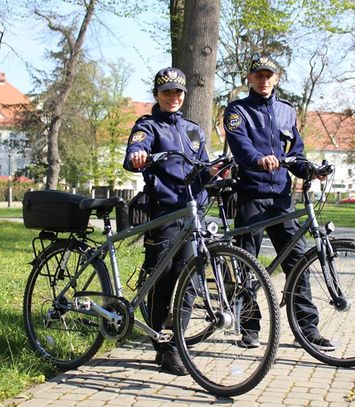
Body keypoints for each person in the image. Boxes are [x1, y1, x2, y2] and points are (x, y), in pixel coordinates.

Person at [223, 56, 335, 351]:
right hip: (251, 196)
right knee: (247, 263)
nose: (264, 80)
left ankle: (307, 329)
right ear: (250, 78)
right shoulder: (237, 110)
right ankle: (248, 327)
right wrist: (258, 159)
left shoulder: (286, 111)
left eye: (269, 75)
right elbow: (240, 146)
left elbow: (295, 153)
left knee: (298, 262)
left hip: (282, 198)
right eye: (258, 75)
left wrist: (310, 169)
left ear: (277, 78)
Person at [123, 67, 219, 375]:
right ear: (157, 95)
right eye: (166, 92)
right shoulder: (148, 126)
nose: (173, 97)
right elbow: (134, 150)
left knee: (189, 279)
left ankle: (174, 340)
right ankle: (164, 348)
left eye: (178, 92)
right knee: (163, 281)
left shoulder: (193, 130)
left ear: (184, 95)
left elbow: (202, 169)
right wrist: (138, 156)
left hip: (193, 212)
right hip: (165, 212)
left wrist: (215, 171)